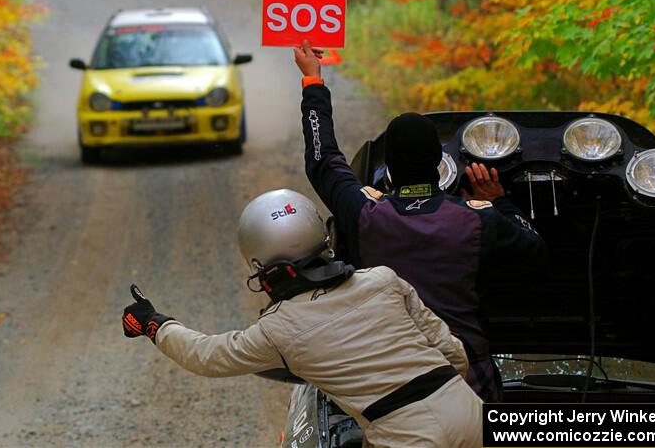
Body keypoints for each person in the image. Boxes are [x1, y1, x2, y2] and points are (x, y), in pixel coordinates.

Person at [122, 189, 482, 448]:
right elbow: (454, 354)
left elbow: (208, 355)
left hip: (406, 436)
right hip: (471, 414)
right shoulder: (383, 279)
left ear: (263, 270)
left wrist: (155, 324)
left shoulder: (278, 329)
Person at [292, 40, 546, 402]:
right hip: (470, 390)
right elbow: (536, 251)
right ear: (438, 163)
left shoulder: (367, 215)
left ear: (390, 169)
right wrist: (501, 202)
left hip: (391, 395)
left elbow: (322, 160)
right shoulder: (478, 219)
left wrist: (312, 81)